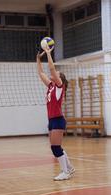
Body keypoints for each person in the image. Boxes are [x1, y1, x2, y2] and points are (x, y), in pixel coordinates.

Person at [36, 46, 75, 181]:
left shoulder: (59, 86)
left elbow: (51, 68)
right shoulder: (51, 86)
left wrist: (48, 53)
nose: (53, 73)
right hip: (52, 120)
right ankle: (69, 168)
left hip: (58, 119)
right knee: (55, 147)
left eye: (57, 73)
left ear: (60, 79)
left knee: (55, 147)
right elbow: (41, 74)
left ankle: (65, 172)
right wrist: (38, 60)